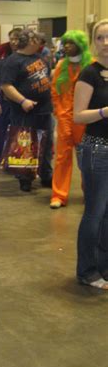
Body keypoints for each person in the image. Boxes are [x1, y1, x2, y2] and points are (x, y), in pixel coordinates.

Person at [73, 19, 108, 290]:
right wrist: (104, 111)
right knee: (94, 213)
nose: (105, 43)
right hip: (97, 150)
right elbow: (78, 116)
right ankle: (87, 269)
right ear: (93, 42)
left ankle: (103, 266)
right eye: (100, 38)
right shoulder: (89, 74)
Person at [1, 29, 53, 191]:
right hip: (24, 112)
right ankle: (25, 177)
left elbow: (48, 78)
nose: (40, 43)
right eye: (37, 40)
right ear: (30, 41)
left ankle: (46, 174)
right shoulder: (12, 61)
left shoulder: (40, 58)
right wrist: (22, 100)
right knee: (25, 145)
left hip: (44, 109)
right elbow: (6, 86)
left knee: (46, 143)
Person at [49, 30, 91, 209]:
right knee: (62, 158)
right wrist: (59, 113)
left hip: (86, 120)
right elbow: (54, 93)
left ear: (80, 45)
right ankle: (59, 195)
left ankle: (90, 193)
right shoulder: (60, 66)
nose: (66, 46)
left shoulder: (91, 67)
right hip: (65, 119)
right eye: (65, 43)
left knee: (87, 160)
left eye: (71, 43)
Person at [0, 29, 21, 165]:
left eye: (17, 38)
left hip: (23, 106)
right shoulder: (1, 63)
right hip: (6, 104)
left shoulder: (29, 61)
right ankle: (4, 160)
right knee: (2, 133)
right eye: (11, 38)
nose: (14, 42)